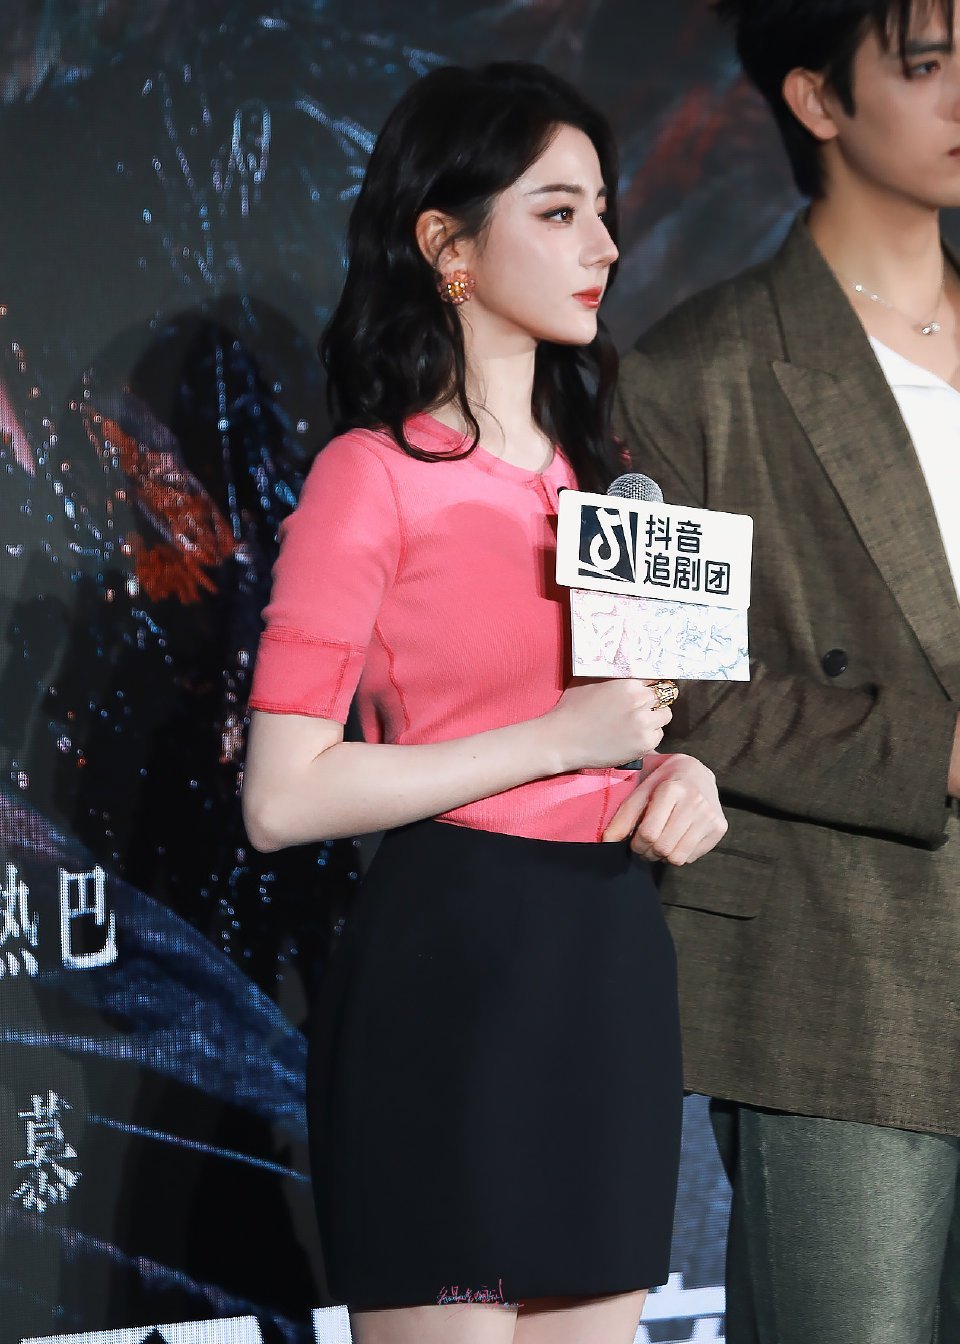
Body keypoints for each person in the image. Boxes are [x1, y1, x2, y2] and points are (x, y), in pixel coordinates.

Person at [241, 60, 727, 1344]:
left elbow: (633, 725)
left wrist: (674, 776)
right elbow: (283, 796)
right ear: (446, 246)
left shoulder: (610, 484)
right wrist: (557, 740)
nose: (604, 246)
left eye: (604, 211)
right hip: (453, 971)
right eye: (558, 212)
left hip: (610, 965)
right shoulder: (373, 478)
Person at [614, 3, 960, 1342]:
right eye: (926, 66)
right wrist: (931, 749)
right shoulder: (694, 373)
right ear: (818, 100)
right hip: (844, 980)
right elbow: (662, 687)